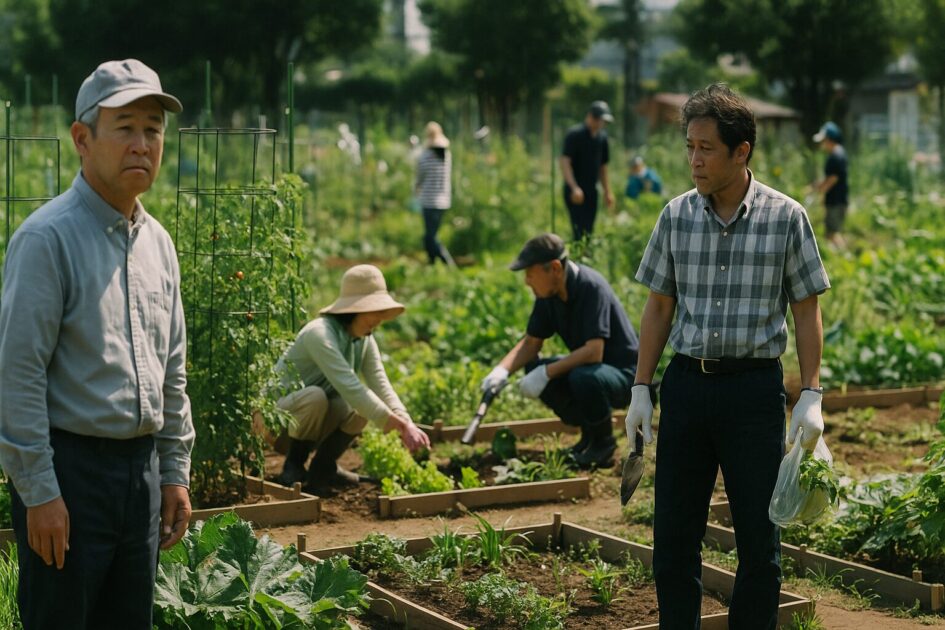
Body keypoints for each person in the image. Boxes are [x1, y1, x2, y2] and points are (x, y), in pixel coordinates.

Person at [624, 83, 829, 629]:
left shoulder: (786, 218)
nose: (694, 159)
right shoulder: (676, 216)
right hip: (687, 386)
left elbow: (806, 310)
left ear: (742, 152)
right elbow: (659, 306)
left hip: (752, 393)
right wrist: (641, 387)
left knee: (759, 545)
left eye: (706, 148)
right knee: (673, 539)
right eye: (689, 146)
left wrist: (810, 393)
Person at [0, 59, 195, 629]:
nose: (143, 144)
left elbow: (173, 368)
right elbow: (17, 375)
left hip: (139, 475)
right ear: (82, 139)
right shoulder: (46, 240)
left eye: (154, 130)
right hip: (70, 474)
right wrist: (38, 492)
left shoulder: (158, 243)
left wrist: (174, 469)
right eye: (126, 126)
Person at [481, 233, 639, 468]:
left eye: (530, 273)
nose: (527, 281)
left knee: (580, 377)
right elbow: (531, 343)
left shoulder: (590, 287)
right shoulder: (549, 295)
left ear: (554, 268)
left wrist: (547, 373)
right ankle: (588, 437)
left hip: (624, 375)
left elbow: (594, 352)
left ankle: (603, 444)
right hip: (593, 370)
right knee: (535, 366)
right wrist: (501, 371)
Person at [274, 264, 430, 492]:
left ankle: (324, 467)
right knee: (318, 397)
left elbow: (379, 383)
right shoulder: (319, 333)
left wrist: (405, 421)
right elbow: (350, 385)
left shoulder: (364, 339)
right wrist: (398, 425)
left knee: (361, 409)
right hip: (276, 423)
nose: (379, 319)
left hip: (310, 419)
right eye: (375, 311)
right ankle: (293, 465)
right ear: (355, 309)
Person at [559, 101, 615, 241]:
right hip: (575, 191)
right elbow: (565, 162)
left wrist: (607, 191)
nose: (601, 124)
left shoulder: (602, 139)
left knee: (589, 231)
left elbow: (603, 167)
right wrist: (574, 187)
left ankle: (585, 259)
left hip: (592, 191)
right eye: (600, 120)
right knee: (578, 230)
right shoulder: (574, 135)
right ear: (591, 117)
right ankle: (577, 259)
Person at [415, 121, 455, 266]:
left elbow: (419, 178)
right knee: (431, 235)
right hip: (444, 201)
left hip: (429, 201)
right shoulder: (446, 156)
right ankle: (433, 263)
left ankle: (446, 262)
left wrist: (415, 190)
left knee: (430, 237)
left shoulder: (425, 156)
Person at [812, 121, 848, 248]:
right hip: (839, 200)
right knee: (832, 232)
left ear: (829, 139)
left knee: (832, 233)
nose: (822, 144)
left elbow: (833, 178)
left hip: (835, 201)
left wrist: (820, 189)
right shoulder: (840, 153)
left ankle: (844, 256)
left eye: (823, 140)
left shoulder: (835, 156)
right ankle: (842, 255)